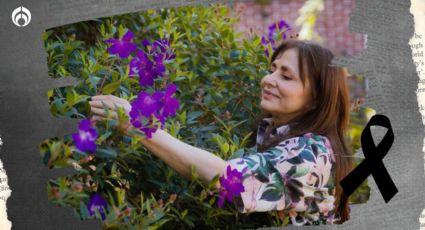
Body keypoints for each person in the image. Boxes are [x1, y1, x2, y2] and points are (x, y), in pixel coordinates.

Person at [88, 39, 353, 225]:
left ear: (316, 98)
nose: (268, 79)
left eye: (286, 76)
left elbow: (225, 177)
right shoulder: (275, 134)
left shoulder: (311, 155)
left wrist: (138, 125)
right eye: (272, 69)